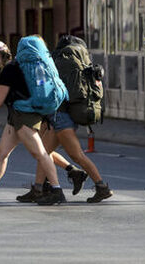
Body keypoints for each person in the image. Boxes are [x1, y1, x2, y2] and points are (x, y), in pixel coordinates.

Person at [0, 38, 66, 206]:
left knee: (40, 154)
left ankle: (57, 191)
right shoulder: (17, 67)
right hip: (16, 116)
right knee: (2, 153)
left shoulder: (8, 71)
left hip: (24, 117)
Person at [21, 35, 112, 204]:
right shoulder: (75, 61)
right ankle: (37, 189)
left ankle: (102, 187)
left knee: (76, 155)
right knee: (44, 153)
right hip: (65, 113)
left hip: (62, 116)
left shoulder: (56, 60)